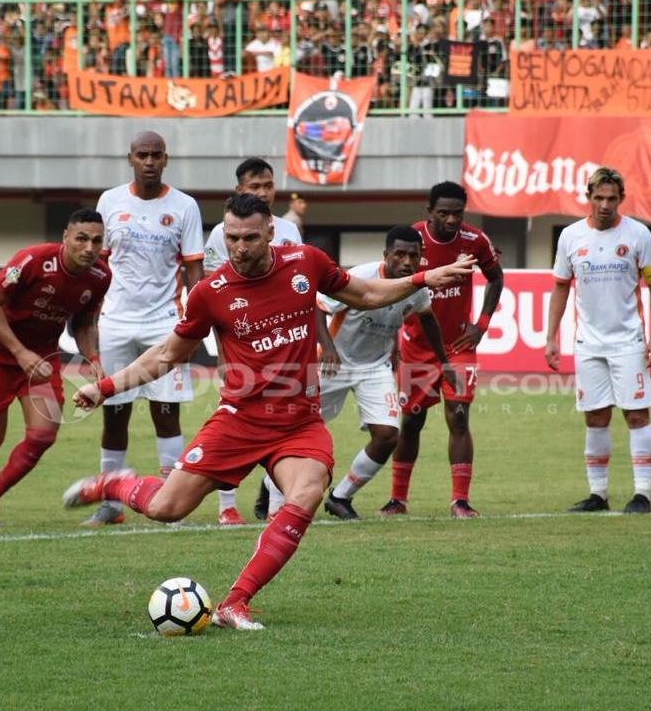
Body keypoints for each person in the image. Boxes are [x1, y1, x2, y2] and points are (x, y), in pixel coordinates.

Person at [61, 193, 477, 630]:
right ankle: (114, 483)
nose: (239, 247)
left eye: (250, 238)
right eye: (232, 237)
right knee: (167, 508)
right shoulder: (211, 292)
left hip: (298, 424)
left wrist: (425, 278)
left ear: (270, 234)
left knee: (307, 492)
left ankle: (234, 603)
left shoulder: (305, 262)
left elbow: (368, 293)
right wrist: (105, 387)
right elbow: (166, 354)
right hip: (239, 420)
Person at [0, 209, 111, 528]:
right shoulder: (32, 260)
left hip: (41, 360)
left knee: (43, 435)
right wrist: (19, 351)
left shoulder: (100, 276)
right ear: (66, 238)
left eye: (97, 241)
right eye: (81, 239)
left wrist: (94, 360)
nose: (89, 247)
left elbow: (84, 323)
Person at [85, 131, 205, 527]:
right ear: (130, 158)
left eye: (156, 155)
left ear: (165, 159)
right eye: (142, 155)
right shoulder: (109, 201)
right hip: (116, 321)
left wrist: (198, 317)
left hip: (163, 323)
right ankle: (110, 504)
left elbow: (193, 268)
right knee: (113, 413)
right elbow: (98, 266)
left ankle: (173, 504)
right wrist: (90, 316)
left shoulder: (185, 206)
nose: (149, 161)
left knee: (165, 412)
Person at [544, 167, 651, 515]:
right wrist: (551, 337)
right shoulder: (570, 237)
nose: (605, 205)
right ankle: (598, 494)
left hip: (629, 342)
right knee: (595, 418)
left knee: (636, 415)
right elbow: (559, 287)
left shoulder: (638, 234)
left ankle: (642, 494)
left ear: (621, 200)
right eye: (599, 198)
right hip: (588, 344)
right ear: (589, 198)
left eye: (612, 199)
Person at [316, 226, 457, 521]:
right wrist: (327, 348)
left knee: (388, 435)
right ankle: (270, 489)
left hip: (374, 367)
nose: (406, 261)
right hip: (333, 364)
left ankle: (340, 497)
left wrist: (444, 363)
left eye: (413, 256)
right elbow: (317, 307)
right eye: (400, 254)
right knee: (302, 431)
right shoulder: (361, 276)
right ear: (386, 255)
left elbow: (428, 320)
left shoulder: (416, 286)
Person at [383, 181, 504, 519]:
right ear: (430, 212)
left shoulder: (475, 240)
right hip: (416, 347)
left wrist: (480, 324)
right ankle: (397, 499)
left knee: (460, 417)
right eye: (443, 213)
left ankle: (460, 501)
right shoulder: (413, 240)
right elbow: (391, 283)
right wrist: (392, 339)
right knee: (411, 423)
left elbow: (497, 277)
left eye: (457, 213)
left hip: (457, 347)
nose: (451, 220)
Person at [202, 157, 311, 526]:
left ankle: (278, 509)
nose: (263, 192)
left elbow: (304, 292)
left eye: (268, 185)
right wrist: (220, 353)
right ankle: (226, 506)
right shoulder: (221, 234)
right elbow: (214, 298)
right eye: (254, 187)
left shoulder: (289, 232)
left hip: (283, 348)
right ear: (239, 191)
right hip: (241, 346)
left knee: (285, 423)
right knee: (230, 420)